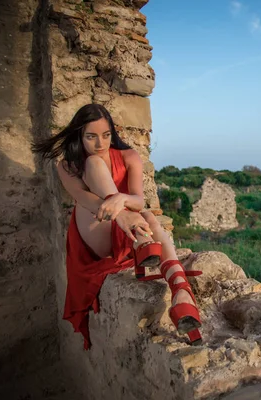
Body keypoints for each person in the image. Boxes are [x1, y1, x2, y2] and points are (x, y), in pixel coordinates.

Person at [32, 104, 202, 348]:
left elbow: (138, 199)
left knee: (147, 216)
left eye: (106, 135)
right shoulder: (68, 165)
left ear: (113, 133)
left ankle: (181, 294)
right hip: (95, 233)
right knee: (94, 164)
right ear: (79, 136)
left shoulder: (128, 156)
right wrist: (122, 213)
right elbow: (84, 200)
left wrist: (121, 199)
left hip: (130, 231)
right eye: (91, 136)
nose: (100, 144)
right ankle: (155, 258)